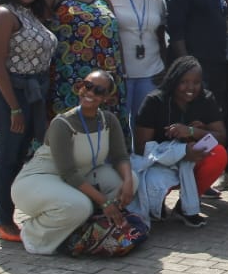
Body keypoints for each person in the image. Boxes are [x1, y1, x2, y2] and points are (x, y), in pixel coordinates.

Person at [11, 70, 139, 255]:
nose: (90, 93)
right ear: (79, 87)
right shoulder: (62, 124)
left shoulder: (108, 120)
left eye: (98, 91)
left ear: (106, 98)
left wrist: (127, 182)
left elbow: (120, 156)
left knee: (133, 180)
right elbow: (68, 173)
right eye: (87, 86)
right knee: (79, 206)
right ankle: (33, 233)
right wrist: (104, 202)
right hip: (40, 179)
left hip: (80, 176)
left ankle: (86, 227)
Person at [0, 0, 57, 242]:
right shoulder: (3, 14)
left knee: (23, 155)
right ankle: (3, 220)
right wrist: (15, 108)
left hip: (34, 92)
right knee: (8, 156)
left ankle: (14, 212)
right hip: (11, 93)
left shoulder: (30, 14)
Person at [131, 55, 227, 228]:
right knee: (155, 177)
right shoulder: (154, 101)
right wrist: (180, 153)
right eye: (184, 82)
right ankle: (156, 202)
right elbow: (141, 148)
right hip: (159, 160)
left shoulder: (206, 98)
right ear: (174, 80)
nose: (190, 88)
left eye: (196, 82)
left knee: (218, 153)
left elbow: (220, 136)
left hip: (192, 157)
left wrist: (193, 132)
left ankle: (184, 206)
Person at [44, 0, 127, 125]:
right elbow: (33, 28)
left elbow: (116, 38)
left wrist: (122, 73)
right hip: (67, 79)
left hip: (106, 80)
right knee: (69, 129)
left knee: (104, 130)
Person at [163, 0, 228, 103]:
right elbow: (174, 28)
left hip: (216, 66)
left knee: (210, 119)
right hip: (192, 67)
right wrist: (187, 66)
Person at [107, 0, 167, 122]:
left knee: (144, 123)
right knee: (120, 122)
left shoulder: (157, 1)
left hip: (151, 72)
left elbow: (161, 37)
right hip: (122, 75)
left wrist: (165, 67)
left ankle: (142, 151)